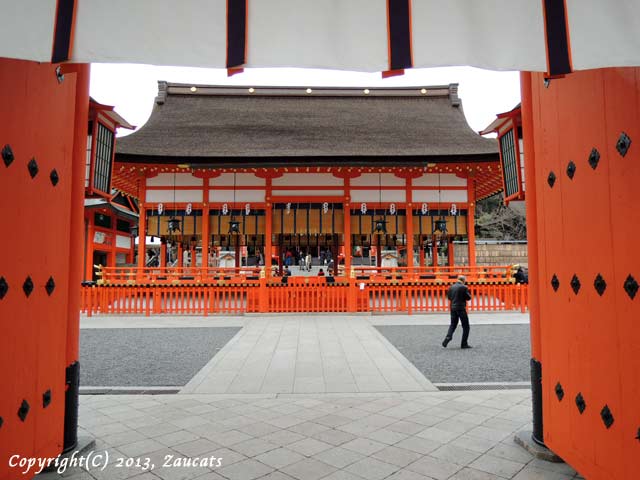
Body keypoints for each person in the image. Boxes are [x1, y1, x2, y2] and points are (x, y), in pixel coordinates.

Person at [443, 275, 472, 349]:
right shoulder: (464, 287)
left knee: (453, 324)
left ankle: (448, 336)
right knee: (466, 326)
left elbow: (449, 297)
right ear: (464, 281)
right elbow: (468, 298)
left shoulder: (451, 287)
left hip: (453, 308)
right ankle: (464, 343)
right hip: (461, 308)